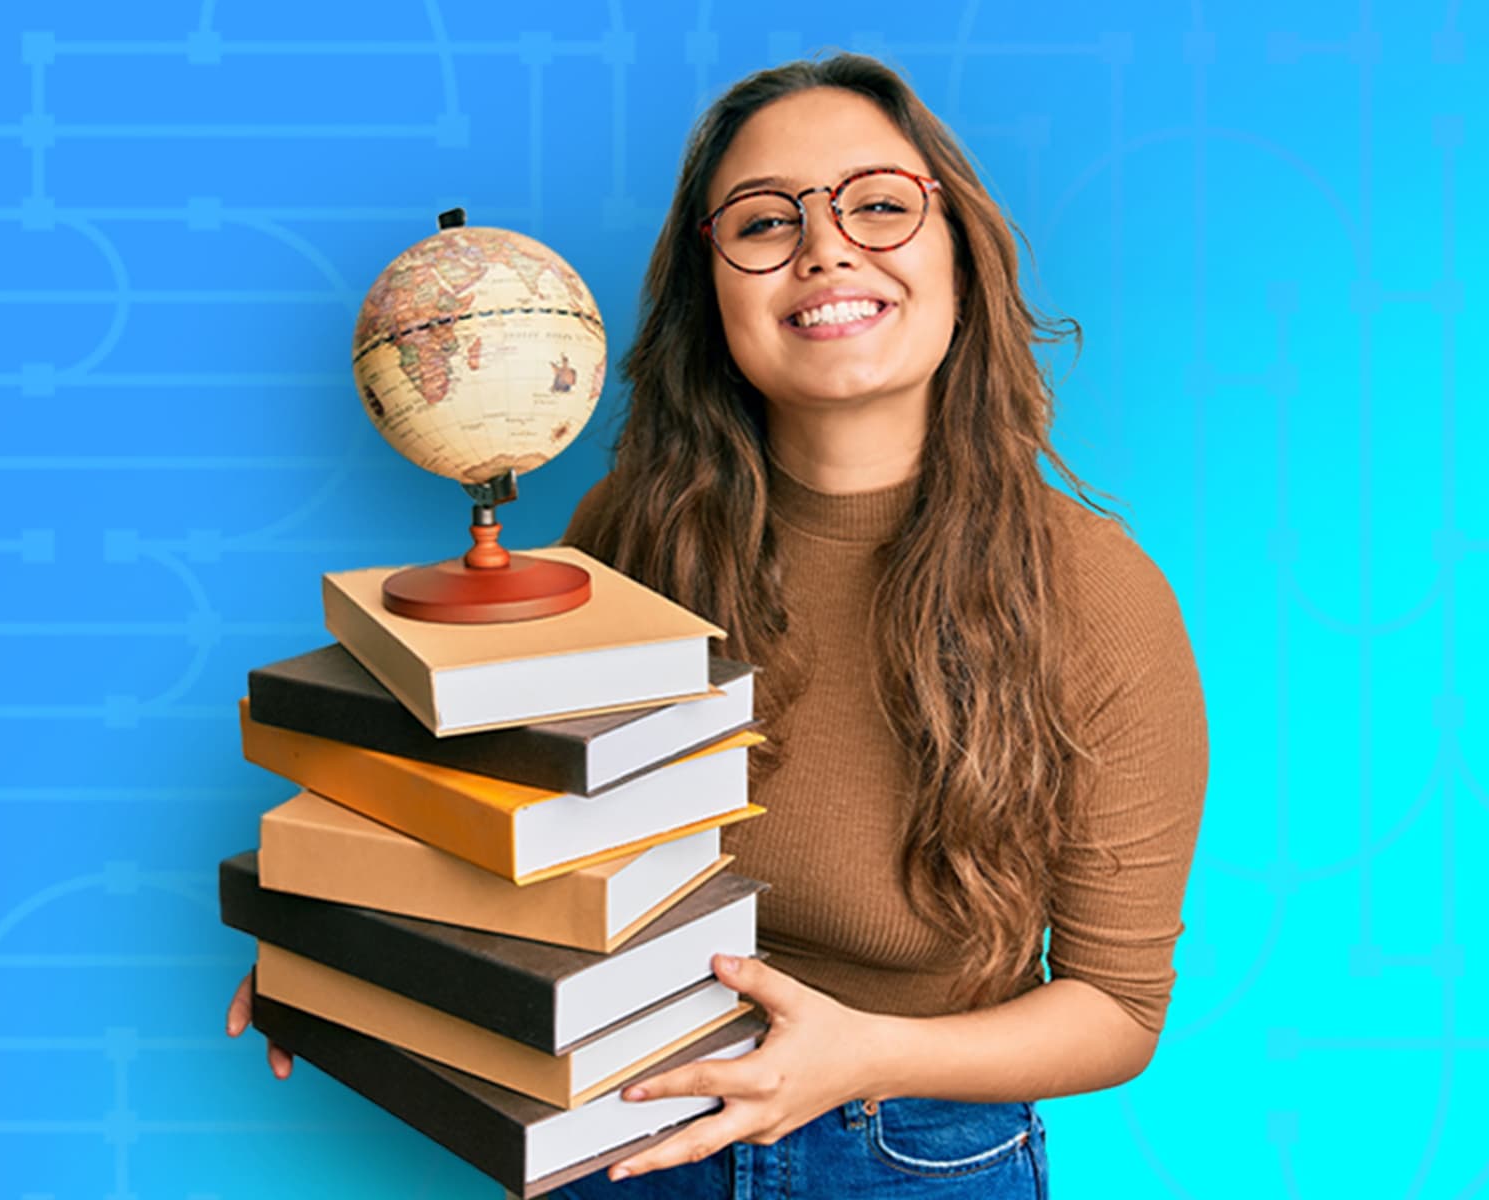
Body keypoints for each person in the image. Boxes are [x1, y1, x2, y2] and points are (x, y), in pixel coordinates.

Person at [227, 53, 1208, 1197]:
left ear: (960, 255)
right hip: (619, 1128)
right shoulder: (626, 542)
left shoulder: (1094, 593)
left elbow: (1117, 1010)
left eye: (880, 205)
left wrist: (862, 1055)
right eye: (762, 223)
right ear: (714, 290)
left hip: (904, 1152)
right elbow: (500, 823)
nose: (827, 248)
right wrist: (356, 962)